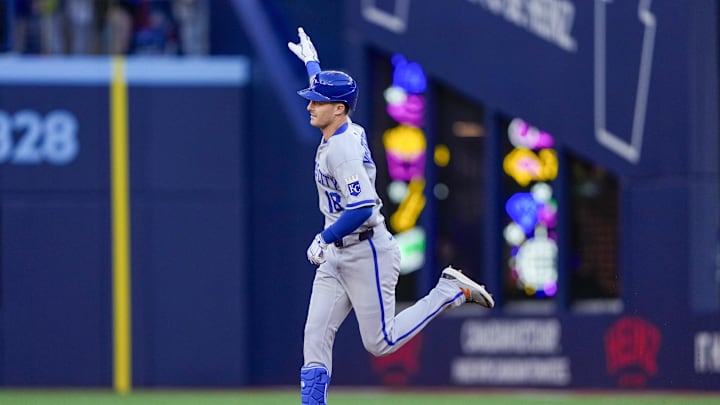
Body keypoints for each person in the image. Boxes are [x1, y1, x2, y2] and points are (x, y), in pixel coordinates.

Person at [288, 27, 494, 405]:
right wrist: (312, 65)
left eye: (317, 101)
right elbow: (333, 101)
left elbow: (363, 208)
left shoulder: (343, 150)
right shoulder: (341, 126)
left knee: (381, 342)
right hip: (338, 253)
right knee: (314, 336)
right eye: (312, 99)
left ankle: (448, 291)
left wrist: (325, 238)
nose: (309, 106)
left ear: (339, 109)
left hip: (367, 251)